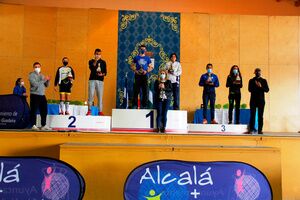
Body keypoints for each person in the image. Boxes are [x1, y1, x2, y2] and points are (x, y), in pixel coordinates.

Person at [29, 62, 51, 130]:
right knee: (34, 110)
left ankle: (43, 125)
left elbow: (46, 85)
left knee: (44, 110)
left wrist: (48, 80)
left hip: (42, 95)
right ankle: (33, 125)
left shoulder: (42, 75)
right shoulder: (31, 75)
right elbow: (35, 84)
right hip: (34, 94)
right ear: (33, 68)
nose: (37, 68)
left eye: (38, 66)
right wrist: (44, 80)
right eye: (36, 67)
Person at [130, 44, 154, 109]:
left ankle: (144, 105)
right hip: (137, 75)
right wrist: (136, 71)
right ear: (139, 50)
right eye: (141, 49)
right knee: (136, 90)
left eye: (144, 49)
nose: (142, 50)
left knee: (145, 91)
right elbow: (131, 65)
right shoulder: (136, 57)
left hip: (145, 76)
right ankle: (134, 105)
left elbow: (151, 67)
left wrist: (146, 71)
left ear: (145, 50)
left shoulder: (148, 58)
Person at [248, 68, 269, 134]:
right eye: (256, 72)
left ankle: (260, 130)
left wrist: (260, 86)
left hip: (261, 100)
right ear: (254, 73)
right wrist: (256, 86)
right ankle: (251, 129)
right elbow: (249, 89)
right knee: (252, 115)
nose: (258, 73)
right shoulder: (251, 80)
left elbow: (267, 90)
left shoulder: (264, 80)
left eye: (259, 72)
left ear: (260, 73)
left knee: (260, 115)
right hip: (253, 100)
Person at [87, 48, 107, 116]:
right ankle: (89, 110)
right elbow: (92, 68)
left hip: (100, 81)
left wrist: (102, 74)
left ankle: (100, 111)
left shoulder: (103, 62)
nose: (98, 55)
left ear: (101, 55)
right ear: (94, 54)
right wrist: (95, 60)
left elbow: (105, 72)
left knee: (100, 96)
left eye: (99, 54)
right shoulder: (91, 61)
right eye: (96, 54)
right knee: (91, 95)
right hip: (92, 80)